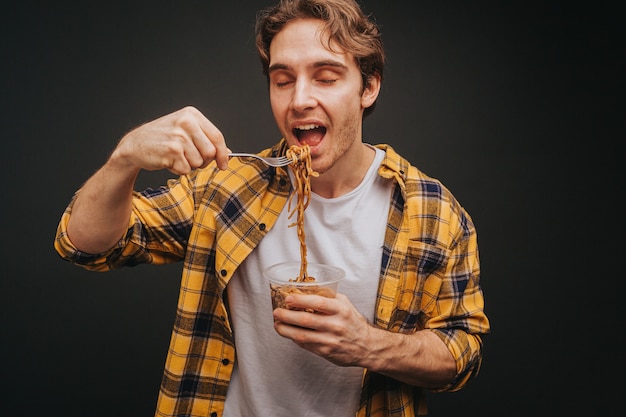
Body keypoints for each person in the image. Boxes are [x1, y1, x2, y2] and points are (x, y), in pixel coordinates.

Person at [54, 0, 490, 416]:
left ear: (368, 86)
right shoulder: (226, 188)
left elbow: (463, 351)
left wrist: (367, 344)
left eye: (325, 77)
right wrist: (124, 157)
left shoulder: (431, 211)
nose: (299, 100)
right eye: (283, 80)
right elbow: (86, 244)